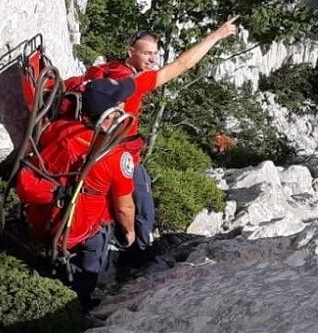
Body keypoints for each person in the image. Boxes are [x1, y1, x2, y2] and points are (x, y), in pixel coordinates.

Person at [72, 19, 240, 253]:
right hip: (120, 155)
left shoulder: (103, 71)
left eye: (155, 54)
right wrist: (216, 36)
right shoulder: (132, 82)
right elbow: (183, 64)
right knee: (142, 206)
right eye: (147, 54)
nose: (153, 59)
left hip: (92, 151)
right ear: (131, 51)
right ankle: (139, 255)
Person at [20, 78, 139, 306]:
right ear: (112, 113)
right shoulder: (115, 155)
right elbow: (124, 207)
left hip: (42, 216)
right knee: (96, 246)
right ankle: (81, 299)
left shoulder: (60, 129)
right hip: (80, 227)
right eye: (121, 102)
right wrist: (130, 232)